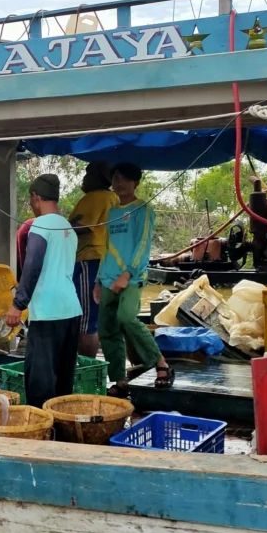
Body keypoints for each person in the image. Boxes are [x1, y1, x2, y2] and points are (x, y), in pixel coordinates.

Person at [95, 163, 173, 396]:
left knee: (127, 318)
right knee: (107, 329)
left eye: (124, 179)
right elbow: (107, 247)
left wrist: (127, 273)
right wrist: (99, 280)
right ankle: (120, 381)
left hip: (130, 278)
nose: (119, 184)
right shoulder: (112, 212)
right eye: (115, 179)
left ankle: (160, 364)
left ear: (136, 183)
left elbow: (142, 245)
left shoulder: (143, 209)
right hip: (108, 278)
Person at [5, 175, 81, 409]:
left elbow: (32, 266)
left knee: (40, 380)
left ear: (36, 197)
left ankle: (43, 430)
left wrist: (18, 304)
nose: (31, 205)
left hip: (48, 311)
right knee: (63, 377)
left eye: (31, 200)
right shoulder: (68, 227)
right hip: (71, 309)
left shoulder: (40, 225)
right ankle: (61, 427)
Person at [67, 160, 119, 357]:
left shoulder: (95, 197)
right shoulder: (114, 197)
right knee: (97, 318)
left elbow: (81, 226)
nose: (84, 179)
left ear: (96, 177)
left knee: (86, 320)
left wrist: (59, 224)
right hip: (106, 260)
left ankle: (86, 366)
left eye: (87, 174)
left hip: (88, 259)